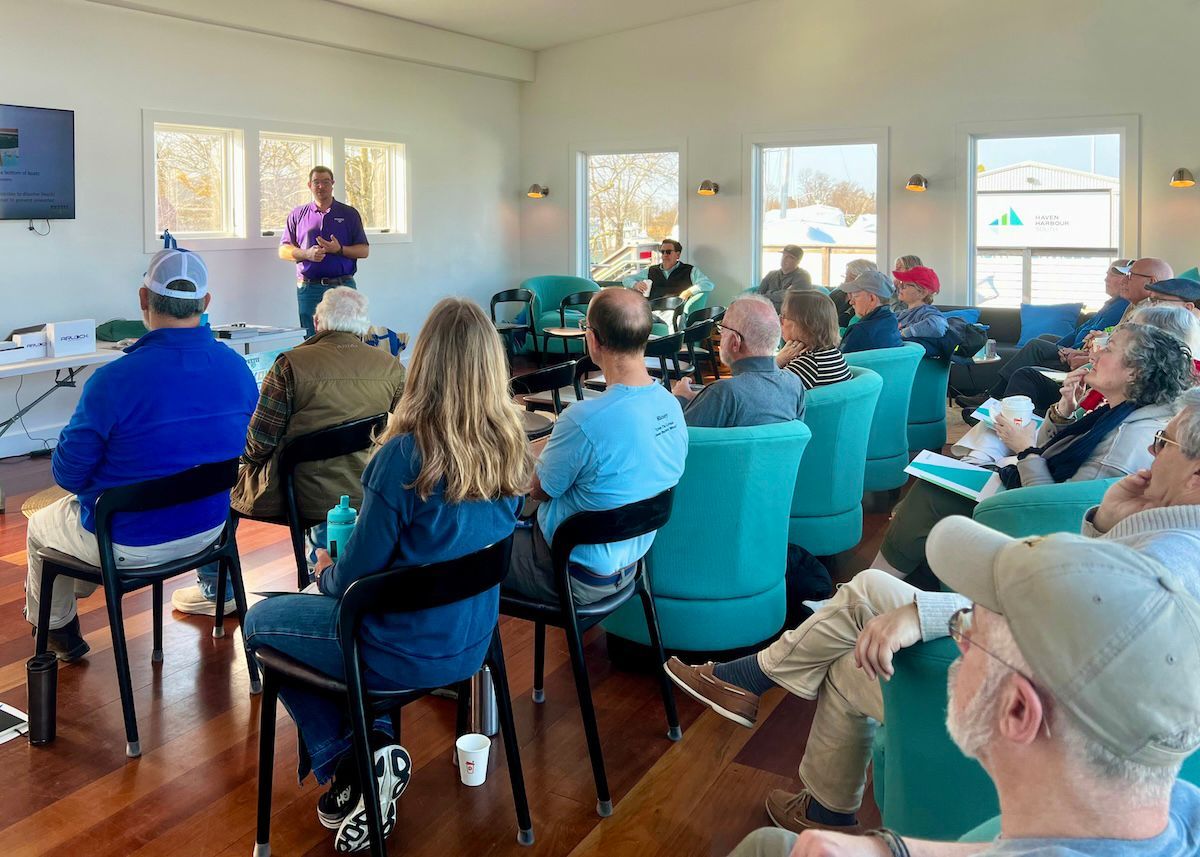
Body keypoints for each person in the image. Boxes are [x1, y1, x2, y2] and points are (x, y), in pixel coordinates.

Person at [675, 386, 1200, 840]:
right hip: (1076, 718)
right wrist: (1106, 522)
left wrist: (929, 615)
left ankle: (752, 681)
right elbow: (1076, 608)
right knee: (849, 649)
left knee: (866, 594)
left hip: (1029, 726)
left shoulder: (1168, 566)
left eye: (1163, 444)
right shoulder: (1168, 536)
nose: (1149, 458)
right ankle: (820, 805)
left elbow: (1060, 629)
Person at [242, 298, 530, 852]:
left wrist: (325, 572)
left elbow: (357, 576)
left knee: (259, 622)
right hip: (473, 644)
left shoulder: (404, 455)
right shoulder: (510, 446)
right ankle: (370, 750)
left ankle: (355, 759)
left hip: (395, 647)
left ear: (422, 364)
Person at [726, 525, 1200, 857]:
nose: (958, 635)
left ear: (1018, 711)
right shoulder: (1173, 809)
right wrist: (894, 849)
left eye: (965, 624)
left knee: (764, 847)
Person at [24, 249, 257, 661]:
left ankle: (59, 629)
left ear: (143, 300)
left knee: (42, 525)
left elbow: (68, 475)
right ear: (205, 304)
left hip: (129, 542)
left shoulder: (112, 381)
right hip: (211, 531)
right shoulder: (238, 369)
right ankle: (77, 584)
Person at [879, 323, 1193, 582]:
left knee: (931, 496)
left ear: (1134, 373)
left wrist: (1024, 449)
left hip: (1038, 528)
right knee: (934, 491)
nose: (1094, 354)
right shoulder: (1120, 411)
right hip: (1030, 492)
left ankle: (875, 585)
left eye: (1108, 349)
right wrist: (1062, 413)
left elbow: (1058, 512)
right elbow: (1052, 451)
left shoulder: (1125, 440)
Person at [171, 287, 407, 616]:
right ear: (363, 326)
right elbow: (410, 426)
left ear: (317, 321)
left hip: (299, 494)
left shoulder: (289, 365)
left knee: (220, 482)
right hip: (366, 488)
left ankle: (216, 589)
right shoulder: (390, 366)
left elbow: (257, 444)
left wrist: (244, 462)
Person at [504, 288, 688, 606]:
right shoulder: (671, 406)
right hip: (630, 567)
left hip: (567, 571)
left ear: (593, 340)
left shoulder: (583, 419)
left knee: (463, 550)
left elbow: (538, 490)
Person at [956, 258, 1135, 413]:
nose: (1105, 278)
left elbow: (1091, 337)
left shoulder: (1120, 306)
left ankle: (992, 396)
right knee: (1046, 337)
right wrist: (1063, 347)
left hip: (1082, 353)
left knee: (1035, 345)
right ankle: (994, 397)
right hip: (1075, 348)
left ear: (1123, 278)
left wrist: (1069, 350)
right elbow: (1080, 330)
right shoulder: (1111, 304)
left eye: (1111, 274)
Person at [671, 295, 805, 428]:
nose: (721, 335)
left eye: (722, 329)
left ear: (735, 342)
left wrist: (680, 399)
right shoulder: (794, 385)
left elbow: (676, 440)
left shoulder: (722, 393)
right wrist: (702, 400)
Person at [279, 166, 370, 337]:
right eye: (316, 182)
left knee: (349, 337)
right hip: (309, 287)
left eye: (326, 182)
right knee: (312, 340)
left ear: (333, 184)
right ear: (309, 185)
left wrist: (339, 249)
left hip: (343, 285)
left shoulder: (349, 214)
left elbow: (364, 250)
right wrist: (307, 254)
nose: (321, 186)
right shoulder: (298, 214)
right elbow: (283, 250)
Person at [775, 291, 852, 390]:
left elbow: (763, 395)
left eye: (783, 317)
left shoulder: (808, 365)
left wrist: (776, 362)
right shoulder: (833, 353)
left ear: (802, 325)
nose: (780, 321)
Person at [622, 238, 715, 302]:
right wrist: (635, 284)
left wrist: (689, 292)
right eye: (662, 252)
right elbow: (626, 279)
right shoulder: (651, 270)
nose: (665, 255)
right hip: (652, 310)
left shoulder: (689, 270)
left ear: (677, 255)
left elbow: (708, 284)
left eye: (668, 252)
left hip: (676, 311)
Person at [838, 271, 902, 354]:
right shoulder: (892, 322)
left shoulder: (861, 331)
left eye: (856, 297)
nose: (851, 302)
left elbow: (840, 362)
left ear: (872, 299)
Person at [892, 265, 948, 340]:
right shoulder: (901, 314)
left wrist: (903, 333)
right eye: (901, 284)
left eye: (905, 285)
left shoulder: (925, 311)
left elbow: (938, 326)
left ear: (922, 293)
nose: (900, 287)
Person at [756, 244, 813, 311]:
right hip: (767, 314)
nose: (784, 259)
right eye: (784, 255)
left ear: (798, 261)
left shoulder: (803, 276)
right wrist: (781, 295)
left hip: (790, 315)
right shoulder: (771, 274)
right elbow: (758, 295)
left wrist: (768, 293)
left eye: (790, 257)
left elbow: (790, 296)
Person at [828, 259, 878, 328]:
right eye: (846, 276)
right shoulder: (837, 293)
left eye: (851, 277)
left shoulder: (868, 301)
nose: (846, 281)